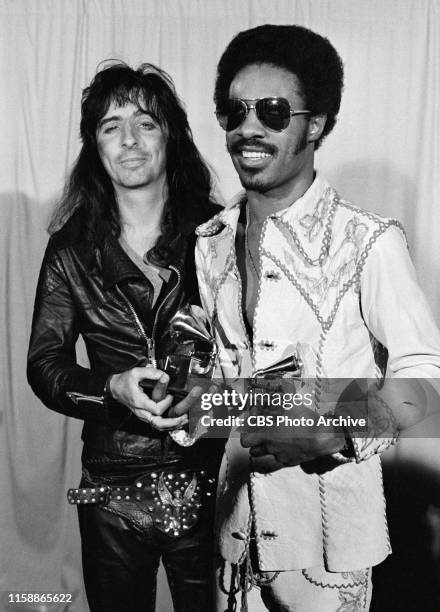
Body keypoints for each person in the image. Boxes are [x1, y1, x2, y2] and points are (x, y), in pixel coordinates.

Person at [195, 25, 440, 611]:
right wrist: (185, 398)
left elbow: (426, 373)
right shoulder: (211, 241)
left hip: (330, 542)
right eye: (235, 111)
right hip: (234, 533)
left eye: (274, 112)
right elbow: (226, 381)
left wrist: (332, 429)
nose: (248, 128)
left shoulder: (368, 241)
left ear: (317, 124)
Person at [27, 62, 223, 612]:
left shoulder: (220, 234)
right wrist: (111, 387)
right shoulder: (71, 250)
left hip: (213, 474)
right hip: (112, 481)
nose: (129, 140)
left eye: (145, 122)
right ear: (95, 144)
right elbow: (44, 364)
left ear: (172, 135)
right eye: (111, 126)